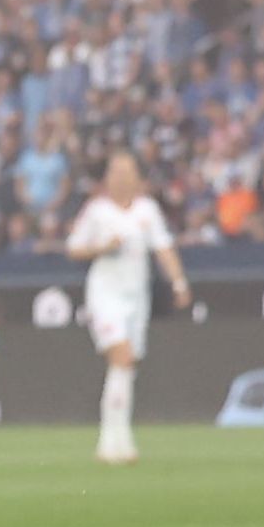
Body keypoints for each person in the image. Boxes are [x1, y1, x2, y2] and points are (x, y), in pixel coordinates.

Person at [63, 150, 191, 465]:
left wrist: (179, 282)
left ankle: (120, 439)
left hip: (137, 297)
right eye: (115, 171)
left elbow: (163, 248)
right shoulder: (97, 211)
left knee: (126, 364)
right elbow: (73, 248)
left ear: (138, 177)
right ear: (107, 178)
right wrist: (101, 248)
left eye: (127, 171)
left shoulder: (147, 210)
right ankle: (110, 441)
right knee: (120, 355)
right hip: (105, 294)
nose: (121, 177)